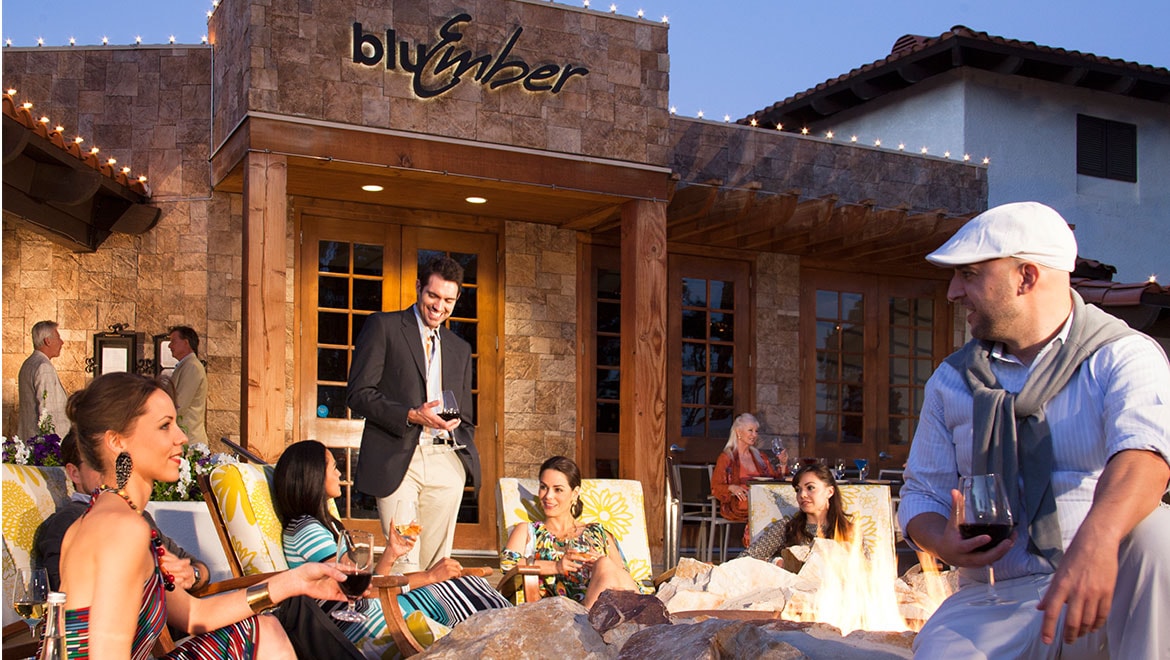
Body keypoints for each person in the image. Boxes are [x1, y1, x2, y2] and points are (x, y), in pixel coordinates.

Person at [897, 201, 1170, 658]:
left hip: (1105, 586)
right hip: (995, 600)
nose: (952, 292)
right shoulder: (951, 380)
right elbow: (922, 494)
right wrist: (940, 539)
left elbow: (1145, 457)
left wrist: (1096, 543)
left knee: (1158, 534)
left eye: (969, 274)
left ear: (1025, 277)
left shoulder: (1123, 356)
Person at [58, 372, 349, 659]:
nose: (181, 437)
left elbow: (194, 614)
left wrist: (293, 581)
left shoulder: (110, 518)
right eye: (164, 426)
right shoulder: (121, 528)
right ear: (117, 441)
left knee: (265, 628)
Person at [273, 440, 508, 657]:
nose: (339, 473)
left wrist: (391, 552)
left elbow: (364, 584)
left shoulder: (318, 526)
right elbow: (356, 589)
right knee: (472, 593)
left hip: (374, 611)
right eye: (333, 467)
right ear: (313, 475)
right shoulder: (305, 529)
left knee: (472, 589)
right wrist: (429, 576)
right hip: (365, 626)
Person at [347, 256, 481, 573]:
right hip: (398, 458)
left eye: (448, 300)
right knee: (404, 560)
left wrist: (459, 453)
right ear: (419, 287)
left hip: (445, 460)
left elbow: (466, 414)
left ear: (457, 299)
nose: (439, 306)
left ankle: (433, 624)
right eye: (433, 295)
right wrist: (410, 414)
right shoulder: (384, 326)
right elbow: (358, 394)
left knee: (437, 567)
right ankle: (400, 622)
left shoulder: (459, 348)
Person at [35, 433, 210, 594]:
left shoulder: (136, 514)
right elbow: (63, 594)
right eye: (99, 464)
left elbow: (198, 567)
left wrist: (191, 574)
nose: (114, 470)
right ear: (75, 473)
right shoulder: (70, 520)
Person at [500, 456, 638, 608]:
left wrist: (599, 566)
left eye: (557, 489)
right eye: (543, 487)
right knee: (605, 564)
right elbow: (508, 565)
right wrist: (556, 566)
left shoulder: (599, 532)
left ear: (574, 493)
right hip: (568, 615)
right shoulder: (527, 530)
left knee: (604, 564)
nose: (548, 496)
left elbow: (623, 575)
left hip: (612, 603)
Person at [741, 463, 857, 569]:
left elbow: (867, 571)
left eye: (810, 488)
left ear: (830, 492)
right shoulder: (786, 528)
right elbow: (743, 559)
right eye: (798, 490)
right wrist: (777, 563)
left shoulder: (849, 532)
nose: (802, 495)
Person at [711, 413, 783, 545]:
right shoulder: (727, 457)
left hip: (761, 499)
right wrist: (731, 487)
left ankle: (772, 549)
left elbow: (776, 479)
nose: (754, 435)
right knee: (765, 507)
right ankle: (756, 550)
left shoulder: (760, 457)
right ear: (738, 432)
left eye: (756, 431)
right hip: (738, 502)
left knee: (781, 505)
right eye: (750, 430)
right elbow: (715, 486)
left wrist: (783, 464)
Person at [18, 320, 70, 440]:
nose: (62, 342)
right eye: (58, 338)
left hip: (30, 440)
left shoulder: (28, 363)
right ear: (48, 341)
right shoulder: (43, 367)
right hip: (45, 445)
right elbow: (48, 411)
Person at [168, 325, 209, 446]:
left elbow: (180, 405)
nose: (170, 346)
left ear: (186, 343)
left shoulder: (191, 367)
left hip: (189, 441)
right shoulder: (185, 365)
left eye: (173, 341)